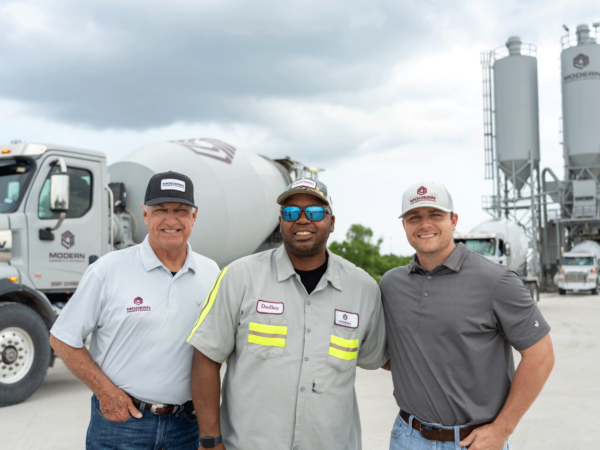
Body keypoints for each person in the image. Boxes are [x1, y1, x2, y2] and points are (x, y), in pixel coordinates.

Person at [187, 178, 388, 450]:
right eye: (291, 213)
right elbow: (206, 355)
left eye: (315, 212)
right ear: (281, 222)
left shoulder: (363, 289)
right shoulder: (239, 277)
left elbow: (377, 358)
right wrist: (210, 441)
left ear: (332, 222)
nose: (302, 220)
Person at [50, 171, 220, 450]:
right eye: (160, 210)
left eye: (180, 210)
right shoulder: (108, 270)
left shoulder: (210, 272)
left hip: (187, 428)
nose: (170, 220)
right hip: (123, 424)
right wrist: (106, 393)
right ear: (144, 215)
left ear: (194, 216)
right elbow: (62, 338)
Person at [380, 181, 555, 450]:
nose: (425, 224)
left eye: (435, 215)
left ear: (453, 220)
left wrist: (502, 429)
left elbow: (541, 355)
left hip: (474, 442)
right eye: (414, 217)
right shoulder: (391, 285)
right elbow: (391, 354)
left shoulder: (497, 281)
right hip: (407, 437)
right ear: (404, 225)